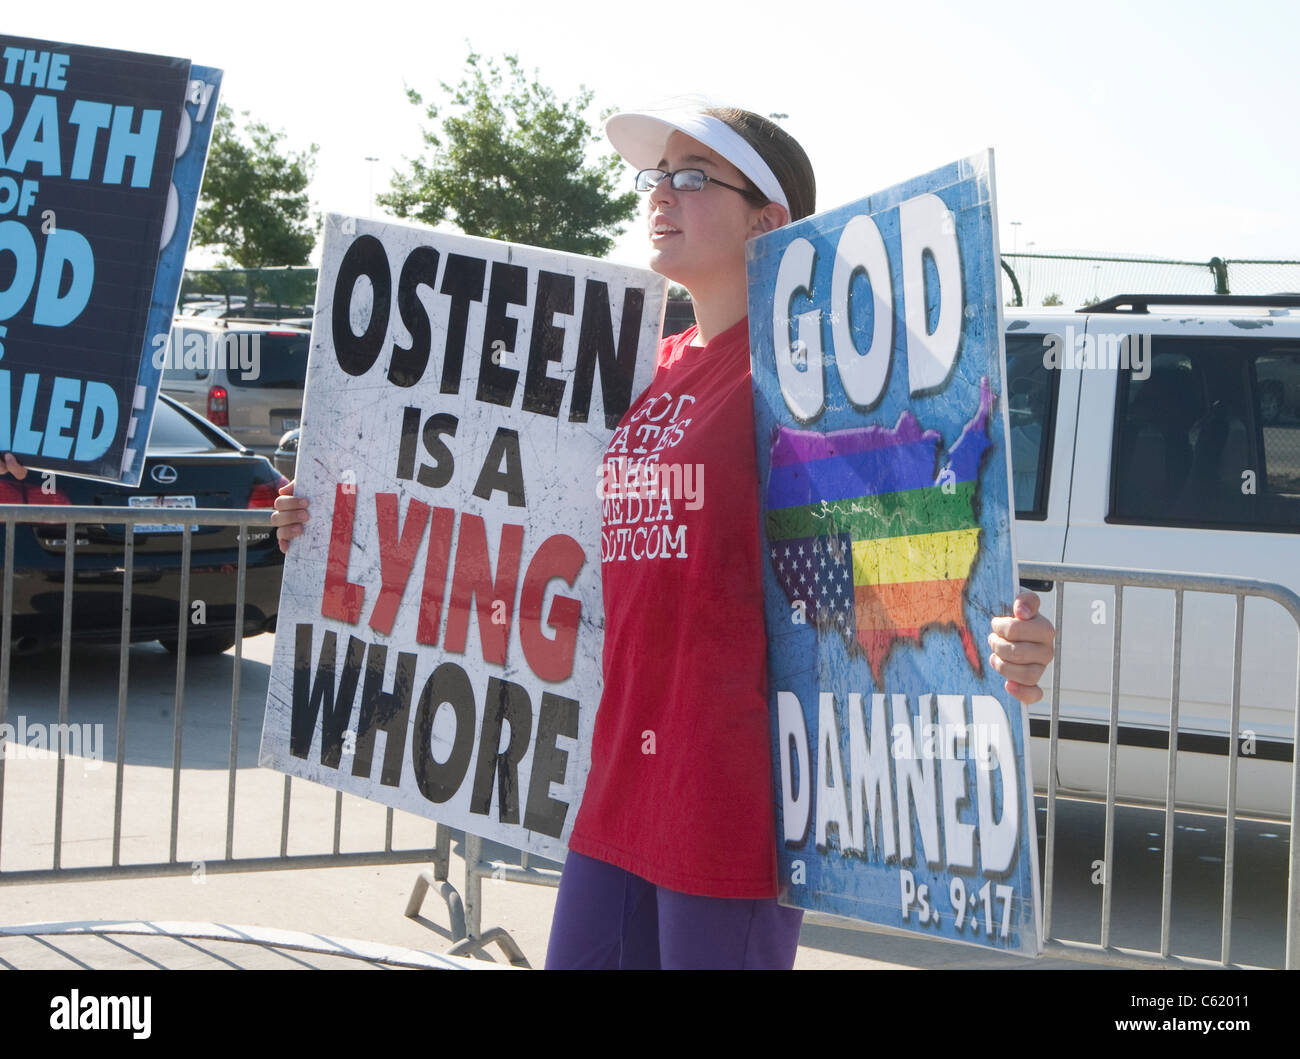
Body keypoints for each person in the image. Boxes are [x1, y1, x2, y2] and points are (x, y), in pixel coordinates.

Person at [269, 106, 1056, 971]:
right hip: (619, 785)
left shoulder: (808, 377)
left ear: (767, 220)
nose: (660, 196)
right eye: (658, 177)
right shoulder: (654, 364)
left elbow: (911, 540)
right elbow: (504, 510)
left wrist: (1005, 634)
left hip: (729, 804)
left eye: (692, 177)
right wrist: (333, 524)